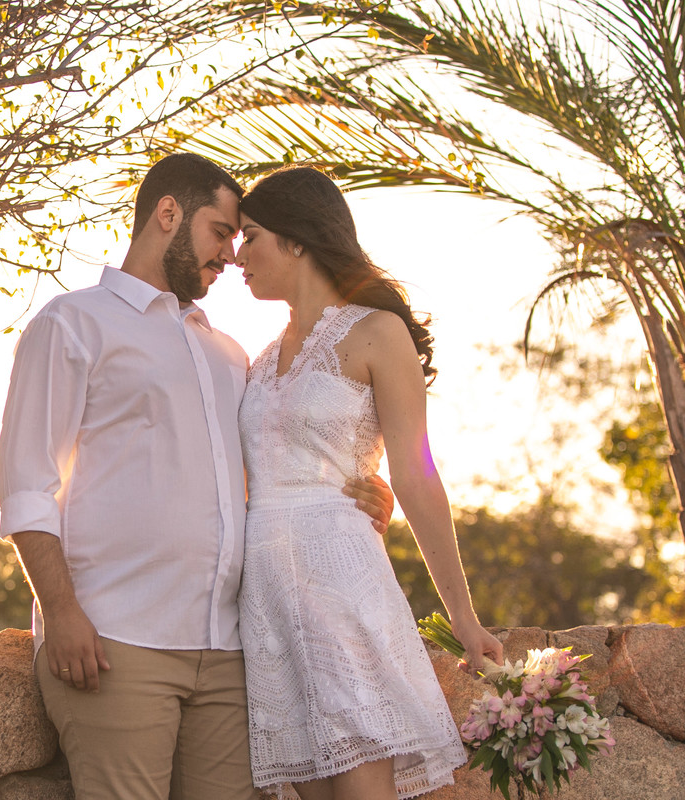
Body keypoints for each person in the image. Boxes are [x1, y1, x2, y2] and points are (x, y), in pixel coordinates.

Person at [0, 153, 393, 800]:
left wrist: (358, 494)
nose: (232, 255)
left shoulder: (229, 354)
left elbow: (270, 470)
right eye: (220, 232)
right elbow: (24, 483)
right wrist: (61, 612)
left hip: (230, 651)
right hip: (117, 643)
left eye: (239, 240)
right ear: (168, 214)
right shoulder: (72, 323)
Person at [233, 165, 503, 800]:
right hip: (264, 595)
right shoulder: (259, 358)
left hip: (341, 583)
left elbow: (417, 474)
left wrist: (462, 616)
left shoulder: (377, 333)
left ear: (295, 240)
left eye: (251, 236)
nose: (238, 255)